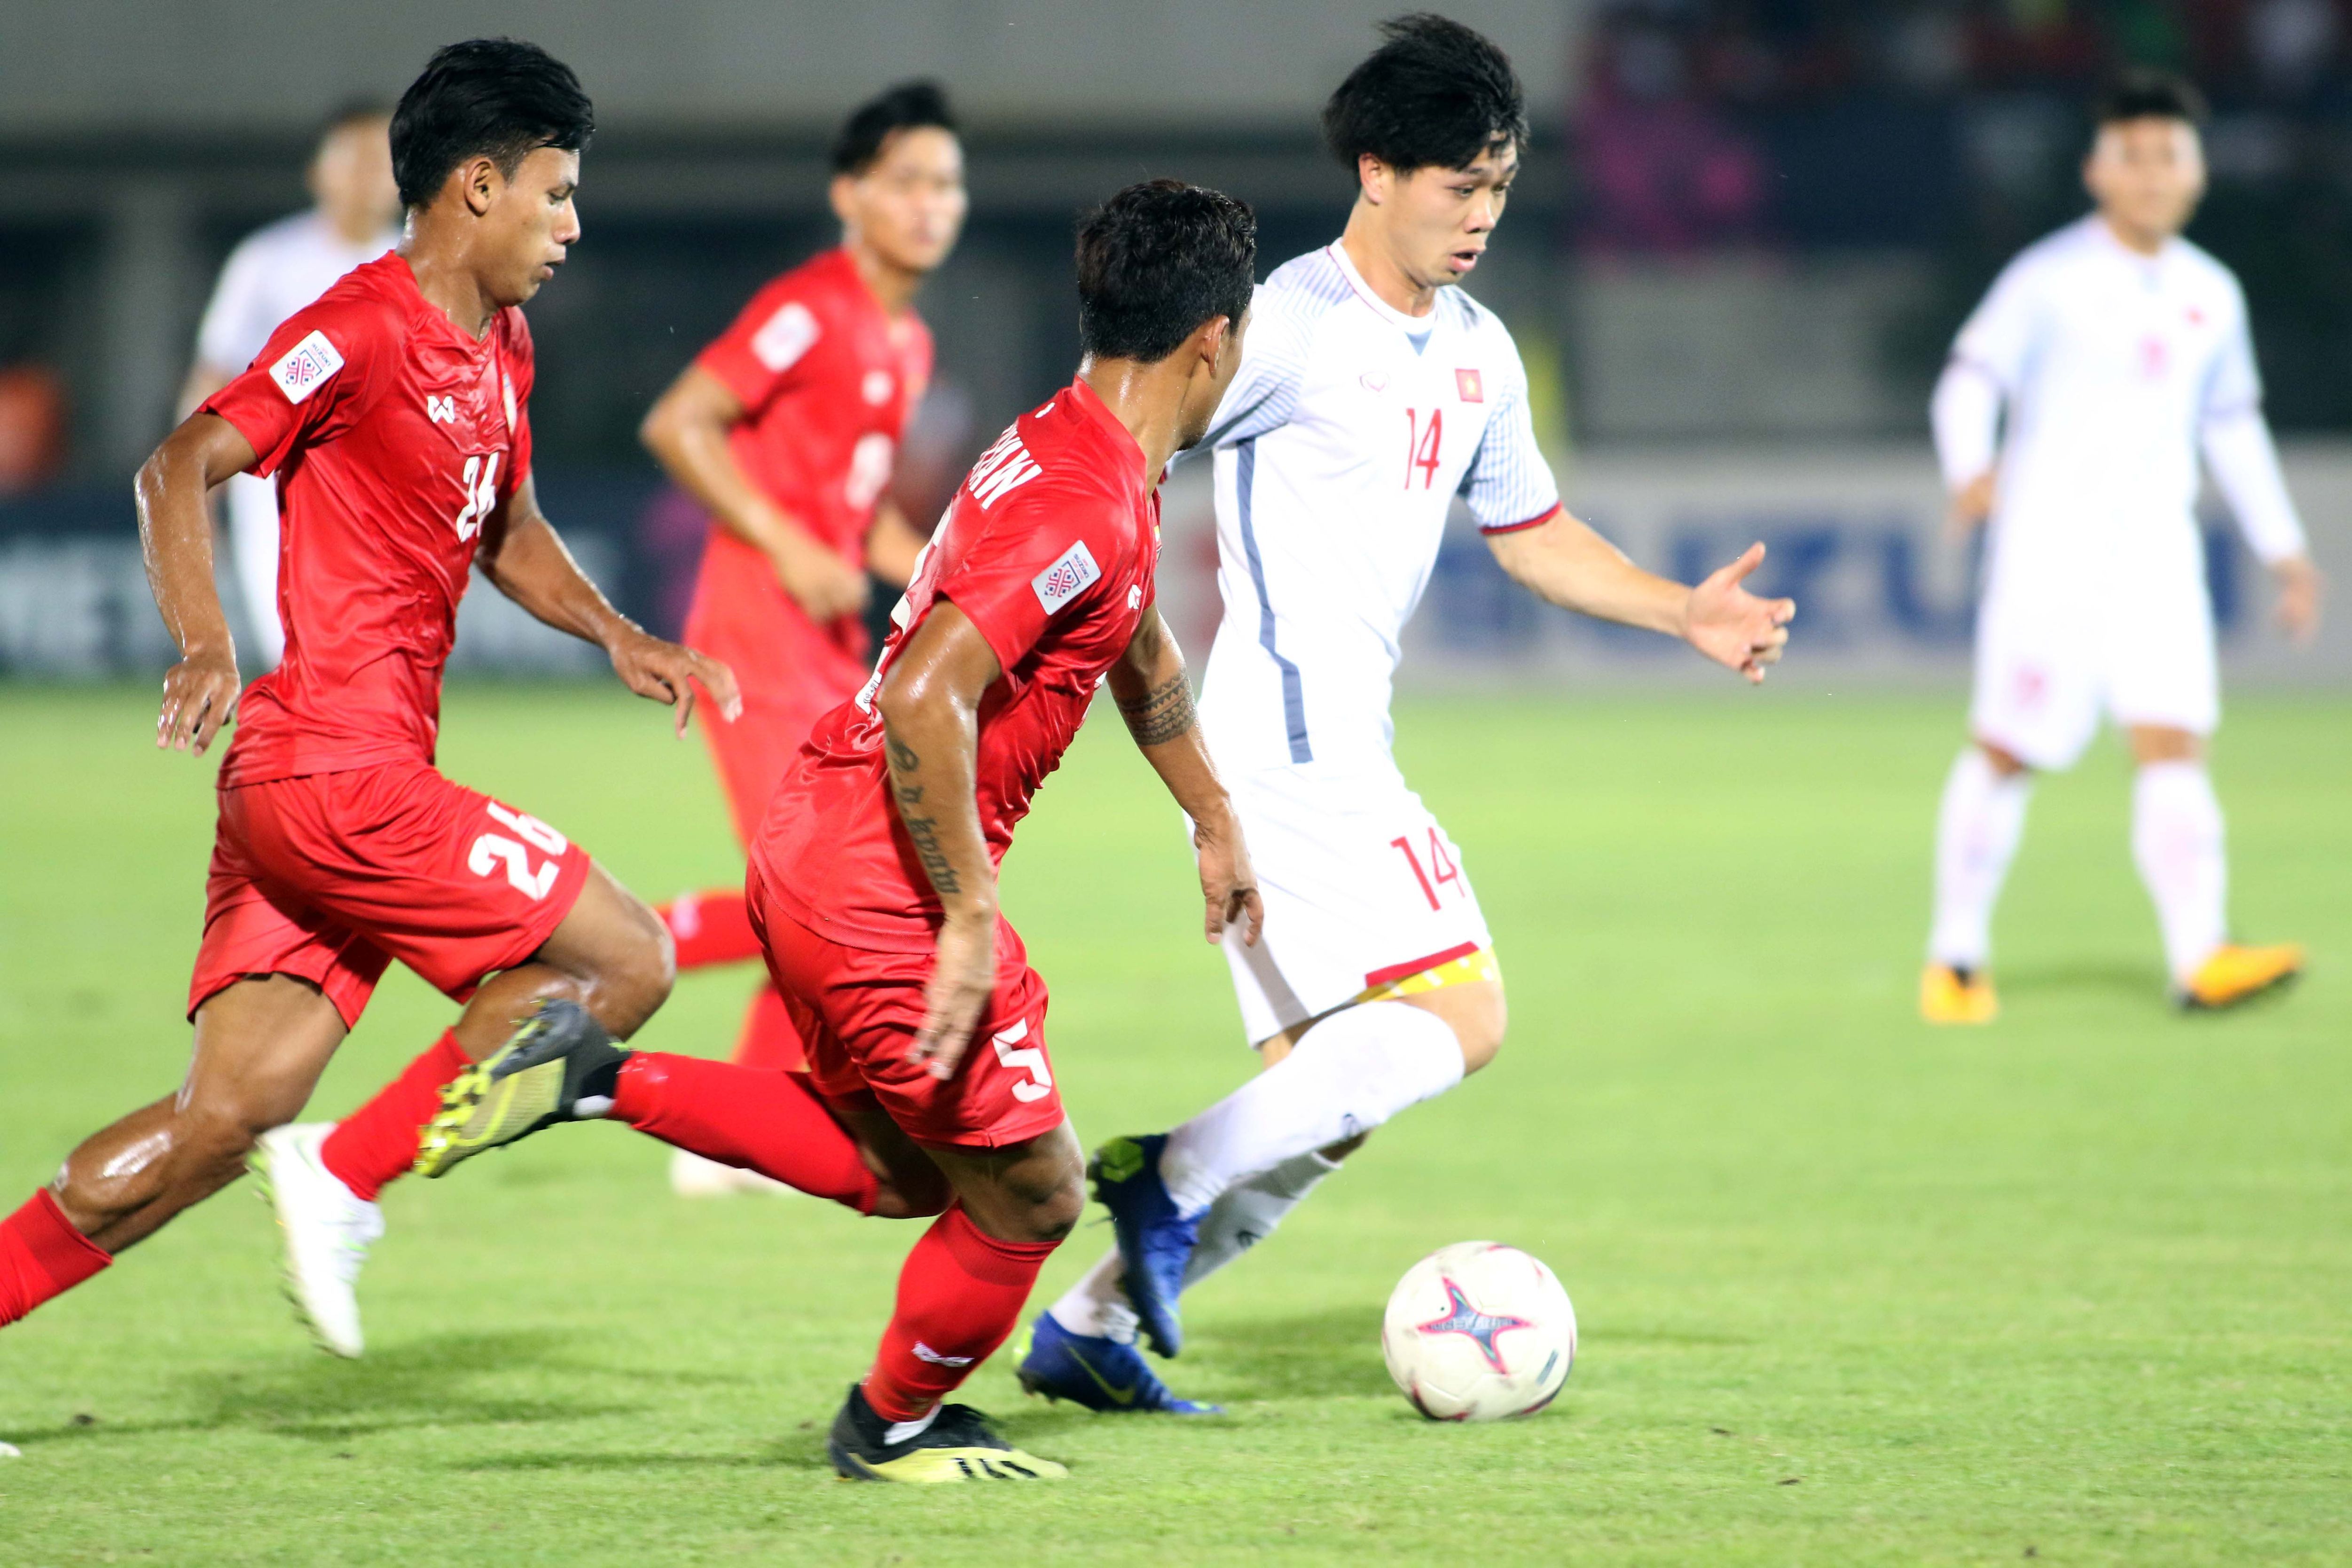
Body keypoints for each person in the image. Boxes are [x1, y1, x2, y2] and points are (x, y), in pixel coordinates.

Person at [406, 179, 1266, 1481]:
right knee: (1030, 1194)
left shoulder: (1078, 449)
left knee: (912, 1171)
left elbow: (1131, 638)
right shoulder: (1086, 501)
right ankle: (887, 1430)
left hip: (824, 833)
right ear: (1213, 338)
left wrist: (1209, 812)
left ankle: (588, 1072)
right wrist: (970, 913)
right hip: (882, 879)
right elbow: (928, 688)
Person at [1016, 13, 1796, 1414]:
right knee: (1467, 1010)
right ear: (1378, 168)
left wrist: (1681, 606)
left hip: (1325, 741)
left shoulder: (1482, 350)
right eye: (1459, 183)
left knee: (1332, 1096)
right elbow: (1116, 430)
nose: (1482, 214)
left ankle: (1090, 1322)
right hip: (1285, 737)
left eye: (1499, 186)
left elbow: (1533, 529)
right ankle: (1165, 1172)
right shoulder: (1289, 329)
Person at [0, 39, 741, 1356]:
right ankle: (349, 1176)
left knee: (221, 1122)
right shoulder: (356, 324)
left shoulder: (499, 343)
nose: (571, 226)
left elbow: (504, 523)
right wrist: (206, 638)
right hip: (339, 770)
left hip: (315, 787)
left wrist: (622, 635)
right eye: (554, 193)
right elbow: (179, 463)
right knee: (627, 960)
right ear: (475, 187)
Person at [1919, 70, 2320, 1025]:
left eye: (2169, 156)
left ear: (2198, 172)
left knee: (2174, 744)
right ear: (2098, 171)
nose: (2152, 175)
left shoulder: (2211, 295)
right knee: (2011, 747)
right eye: (2132, 157)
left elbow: (2231, 427)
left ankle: (2200, 956)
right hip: (2051, 553)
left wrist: (2285, 550)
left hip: (2160, 557)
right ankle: (1956, 955)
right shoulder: (2048, 279)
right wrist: (1970, 467)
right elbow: (1967, 381)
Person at [638, 81, 964, 1195]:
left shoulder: (906, 342)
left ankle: (744, 1126)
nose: (931, 205)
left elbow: (853, 505)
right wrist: (779, 541)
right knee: (816, 887)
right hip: (753, 629)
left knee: (852, 878)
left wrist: (933, 571)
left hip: (824, 641)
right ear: (850, 195)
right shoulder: (809, 308)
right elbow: (678, 421)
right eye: (908, 182)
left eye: (946, 184)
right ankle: (611, 943)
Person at [180, 103, 402, 670]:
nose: (368, 173)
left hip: (390, 494)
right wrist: (197, 489)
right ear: (318, 171)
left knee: (378, 674)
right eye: (353, 159)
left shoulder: (424, 264)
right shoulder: (269, 262)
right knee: (305, 661)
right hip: (282, 488)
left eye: (383, 158)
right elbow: (218, 381)